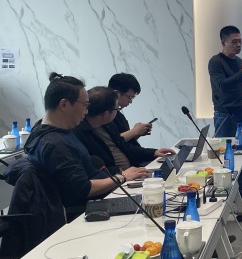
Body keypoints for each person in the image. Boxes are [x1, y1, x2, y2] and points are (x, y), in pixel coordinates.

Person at [25, 73, 150, 209]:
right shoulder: (56, 144)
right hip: (88, 208)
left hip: (103, 194)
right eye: (85, 105)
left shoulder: (47, 130)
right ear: (64, 104)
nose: (86, 112)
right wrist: (122, 177)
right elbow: (82, 189)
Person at [208, 25, 242, 205]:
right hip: (225, 115)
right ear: (223, 42)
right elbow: (222, 86)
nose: (238, 45)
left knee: (241, 154)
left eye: (240, 42)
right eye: (234, 42)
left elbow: (237, 86)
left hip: (241, 114)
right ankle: (224, 194)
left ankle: (240, 192)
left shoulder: (238, 61)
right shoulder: (216, 62)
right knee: (225, 157)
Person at [73, 86, 174, 174]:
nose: (118, 112)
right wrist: (121, 174)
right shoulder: (78, 133)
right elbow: (91, 170)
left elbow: (127, 148)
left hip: (130, 172)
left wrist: (154, 152)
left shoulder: (108, 124)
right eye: (116, 109)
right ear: (106, 113)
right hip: (115, 180)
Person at [107, 73, 152, 147]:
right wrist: (134, 131)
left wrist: (137, 133)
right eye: (130, 97)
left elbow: (125, 144)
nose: (130, 101)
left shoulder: (120, 117)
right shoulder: (104, 114)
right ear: (117, 93)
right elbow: (112, 141)